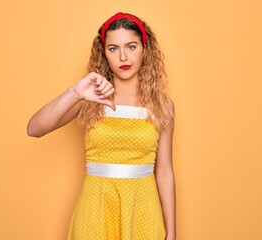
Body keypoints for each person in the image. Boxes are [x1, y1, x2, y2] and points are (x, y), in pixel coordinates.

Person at [27, 12, 176, 240]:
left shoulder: (162, 106)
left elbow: (164, 172)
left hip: (142, 211)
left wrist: (172, 233)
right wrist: (75, 92)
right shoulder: (89, 98)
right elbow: (34, 128)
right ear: (104, 54)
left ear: (145, 49)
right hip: (95, 208)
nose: (123, 57)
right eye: (113, 49)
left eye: (131, 46)